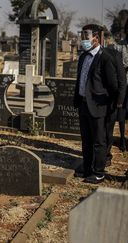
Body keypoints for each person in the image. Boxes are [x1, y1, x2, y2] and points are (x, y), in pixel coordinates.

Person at [73, 24, 119, 184]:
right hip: (83, 104)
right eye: (82, 36)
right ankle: (87, 168)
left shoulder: (105, 58)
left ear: (96, 38)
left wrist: (110, 105)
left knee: (99, 142)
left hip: (99, 106)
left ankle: (98, 172)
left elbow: (113, 85)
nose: (83, 40)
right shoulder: (83, 57)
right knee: (86, 140)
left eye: (86, 37)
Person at [103, 32, 127, 162]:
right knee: (118, 117)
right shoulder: (117, 48)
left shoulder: (118, 51)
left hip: (119, 89)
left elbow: (121, 76)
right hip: (119, 88)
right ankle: (120, 140)